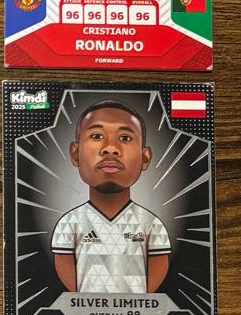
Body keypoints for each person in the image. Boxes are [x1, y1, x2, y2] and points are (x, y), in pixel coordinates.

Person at [51, 100, 169, 294]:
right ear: (75, 153)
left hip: (135, 311)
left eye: (125, 137)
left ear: (145, 158)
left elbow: (158, 265)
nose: (111, 148)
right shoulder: (69, 222)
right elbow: (64, 265)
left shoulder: (151, 223)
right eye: (97, 136)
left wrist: (136, 301)